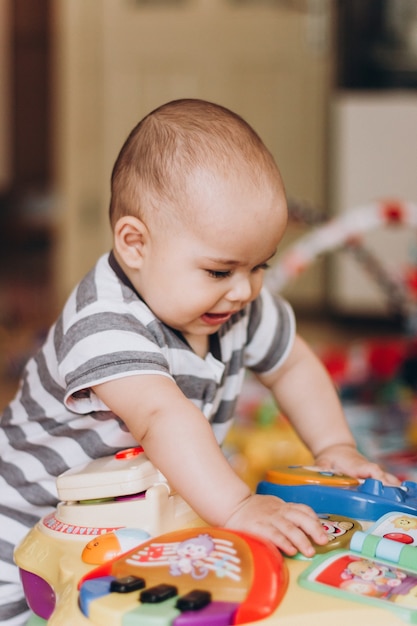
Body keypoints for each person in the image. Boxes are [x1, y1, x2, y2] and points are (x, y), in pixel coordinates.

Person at [0, 99, 398, 625]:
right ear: (135, 244)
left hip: (137, 521)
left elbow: (294, 367)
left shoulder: (236, 305)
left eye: (260, 266)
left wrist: (335, 447)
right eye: (218, 271)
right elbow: (163, 416)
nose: (242, 290)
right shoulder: (103, 321)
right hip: (26, 530)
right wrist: (237, 508)